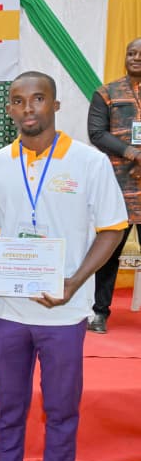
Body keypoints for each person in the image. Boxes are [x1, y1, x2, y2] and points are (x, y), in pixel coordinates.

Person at [0, 72, 126, 461]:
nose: (28, 107)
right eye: (18, 101)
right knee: (8, 409)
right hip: (7, 311)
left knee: (61, 413)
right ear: (9, 109)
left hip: (63, 312)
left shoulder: (89, 162)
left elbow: (112, 229)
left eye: (38, 99)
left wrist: (74, 282)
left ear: (55, 105)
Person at [86, 37, 141, 334]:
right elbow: (96, 133)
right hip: (117, 187)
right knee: (108, 253)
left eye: (140, 54)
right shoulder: (106, 92)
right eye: (131, 53)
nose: (135, 58)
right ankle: (98, 313)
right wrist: (131, 152)